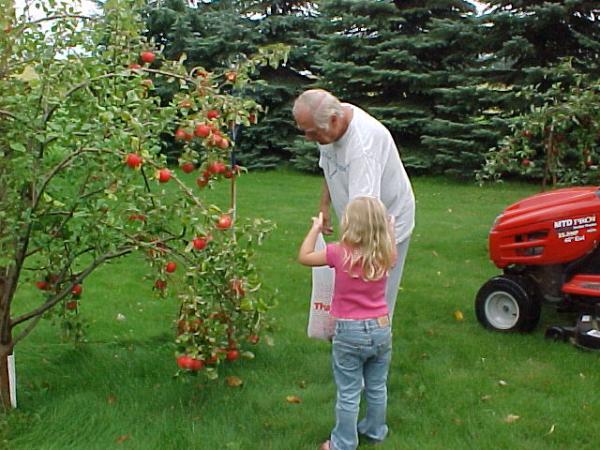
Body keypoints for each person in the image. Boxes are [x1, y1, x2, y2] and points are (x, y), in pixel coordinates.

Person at [293, 88, 415, 319]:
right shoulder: (329, 122)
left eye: (312, 133)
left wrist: (344, 252)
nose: (308, 139)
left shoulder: (363, 148)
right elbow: (330, 166)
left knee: (375, 299)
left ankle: (374, 341)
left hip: (385, 223)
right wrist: (324, 206)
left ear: (333, 120)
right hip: (360, 217)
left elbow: (366, 217)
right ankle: (350, 334)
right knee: (351, 293)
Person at [298, 197, 396, 450]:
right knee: (376, 385)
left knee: (349, 391)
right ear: (382, 226)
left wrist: (316, 227)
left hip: (349, 331)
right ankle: (375, 431)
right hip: (381, 327)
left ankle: (342, 443)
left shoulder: (338, 253)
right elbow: (387, 239)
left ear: (350, 224)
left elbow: (304, 256)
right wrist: (390, 229)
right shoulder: (387, 253)